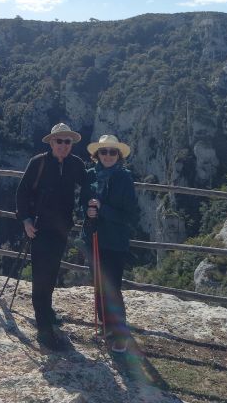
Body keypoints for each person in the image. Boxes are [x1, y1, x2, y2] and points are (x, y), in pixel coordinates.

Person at [15, 123, 87, 350]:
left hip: (61, 228)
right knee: (40, 274)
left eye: (68, 142)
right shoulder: (38, 163)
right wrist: (25, 220)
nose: (64, 145)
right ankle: (43, 329)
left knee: (53, 271)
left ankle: (47, 311)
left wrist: (92, 205)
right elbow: (22, 192)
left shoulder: (76, 164)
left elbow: (87, 186)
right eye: (60, 141)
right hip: (39, 227)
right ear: (52, 142)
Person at [80, 134, 139, 353]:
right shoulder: (89, 175)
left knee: (112, 287)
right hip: (92, 238)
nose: (107, 155)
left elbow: (130, 215)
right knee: (98, 284)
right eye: (103, 152)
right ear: (97, 155)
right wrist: (87, 211)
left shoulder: (124, 178)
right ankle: (106, 325)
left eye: (112, 152)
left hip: (115, 242)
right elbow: (80, 205)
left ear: (118, 155)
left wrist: (103, 209)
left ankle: (119, 333)